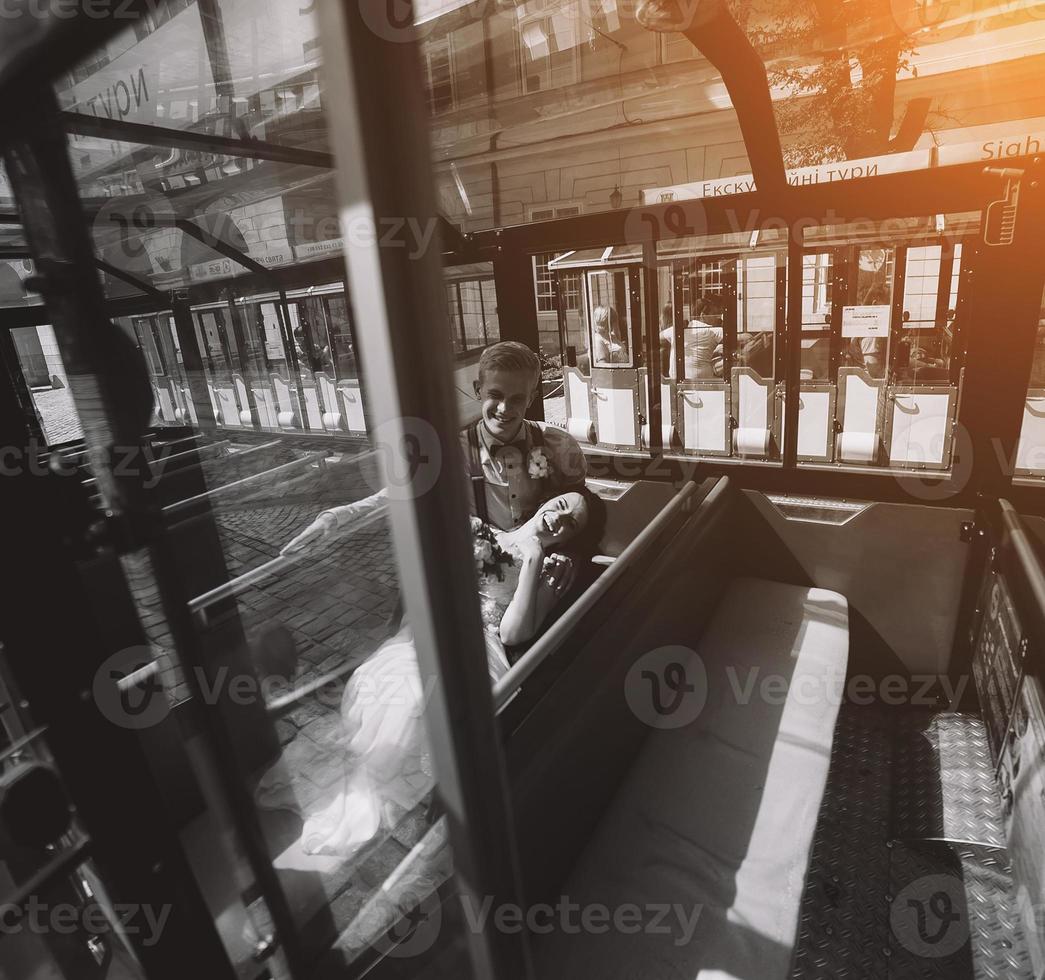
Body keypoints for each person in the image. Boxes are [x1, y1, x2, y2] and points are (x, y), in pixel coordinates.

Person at [297, 490, 592, 858]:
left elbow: (513, 633)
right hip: (430, 634)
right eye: (561, 505)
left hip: (480, 647)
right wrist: (339, 514)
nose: (560, 519)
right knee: (401, 686)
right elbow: (413, 500)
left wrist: (533, 560)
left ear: (569, 536)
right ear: (546, 500)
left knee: (422, 695)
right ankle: (376, 779)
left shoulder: (551, 568)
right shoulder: (481, 531)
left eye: (571, 523)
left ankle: (374, 783)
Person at [282, 341, 587, 551]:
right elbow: (395, 495)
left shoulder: (558, 444)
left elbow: (583, 506)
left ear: (531, 399)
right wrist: (334, 518)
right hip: (488, 568)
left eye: (517, 398)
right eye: (496, 394)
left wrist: (569, 554)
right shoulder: (450, 451)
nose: (505, 408)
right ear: (478, 391)